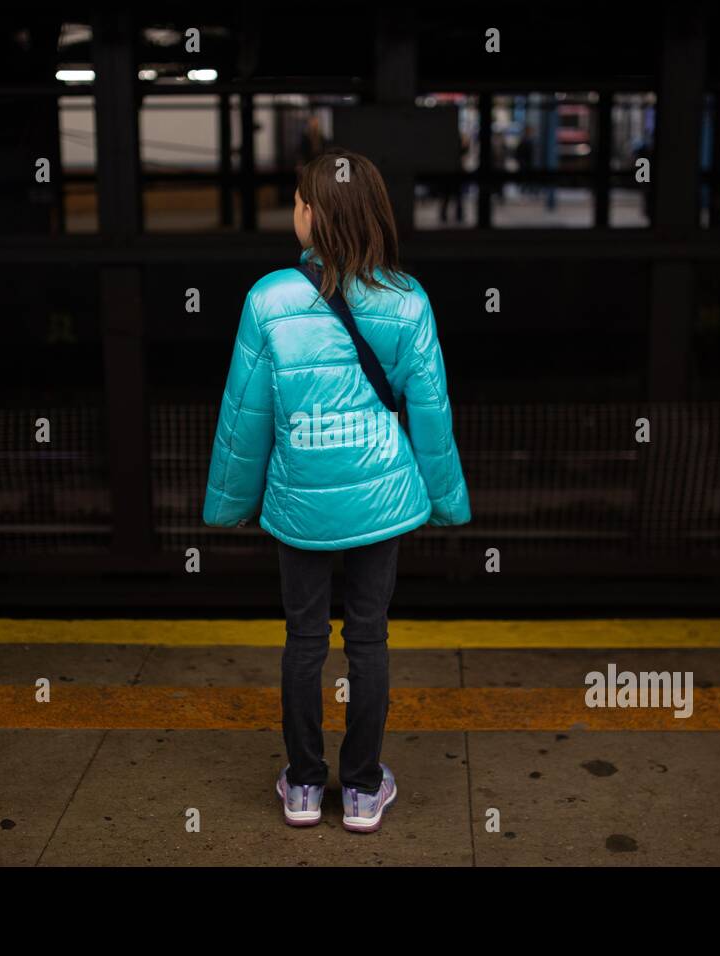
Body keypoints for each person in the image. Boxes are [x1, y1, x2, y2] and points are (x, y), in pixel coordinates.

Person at [202, 148, 472, 833]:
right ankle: (359, 790)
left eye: (298, 200)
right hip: (383, 505)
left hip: (301, 504)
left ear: (314, 217)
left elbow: (246, 417)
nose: (293, 209)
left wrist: (230, 502)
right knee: (370, 640)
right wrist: (447, 501)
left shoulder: (269, 300)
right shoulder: (408, 301)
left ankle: (301, 785)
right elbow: (432, 416)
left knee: (303, 640)